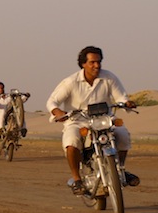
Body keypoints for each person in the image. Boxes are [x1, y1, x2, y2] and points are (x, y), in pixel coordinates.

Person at [47, 46, 139, 195]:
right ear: (83, 64)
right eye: (92, 62)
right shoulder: (71, 81)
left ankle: (119, 170)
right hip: (77, 120)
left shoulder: (109, 78)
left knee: (122, 134)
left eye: (99, 62)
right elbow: (52, 101)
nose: (96, 65)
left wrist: (126, 102)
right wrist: (57, 112)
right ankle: (77, 179)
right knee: (71, 141)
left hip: (104, 118)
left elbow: (121, 97)